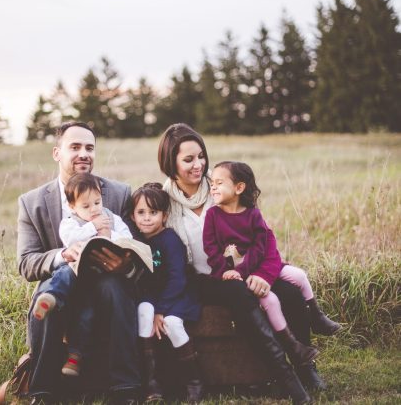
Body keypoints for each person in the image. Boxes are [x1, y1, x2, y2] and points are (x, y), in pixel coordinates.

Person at [157, 123, 314, 405]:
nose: (199, 165)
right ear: (171, 162)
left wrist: (264, 275)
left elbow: (264, 239)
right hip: (205, 279)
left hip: (247, 267)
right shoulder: (165, 201)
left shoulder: (223, 187)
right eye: (188, 159)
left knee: (289, 292)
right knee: (238, 293)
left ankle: (306, 368)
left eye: (201, 156)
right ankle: (285, 376)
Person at [17, 121, 141, 405]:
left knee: (114, 287)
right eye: (75, 147)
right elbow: (26, 262)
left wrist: (124, 263)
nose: (84, 153)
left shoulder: (119, 193)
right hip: (63, 277)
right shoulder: (32, 202)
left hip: (108, 277)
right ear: (57, 153)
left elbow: (133, 244)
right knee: (48, 293)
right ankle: (43, 391)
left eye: (89, 147)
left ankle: (126, 389)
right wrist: (63, 255)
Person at [203, 161, 341, 367]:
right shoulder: (213, 215)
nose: (212, 187)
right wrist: (226, 271)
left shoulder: (252, 214)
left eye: (219, 182)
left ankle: (317, 316)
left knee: (299, 276)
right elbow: (211, 249)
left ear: (239, 188)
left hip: (256, 268)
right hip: (233, 276)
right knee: (271, 300)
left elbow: (262, 246)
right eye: (211, 182)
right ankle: (292, 345)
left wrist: (247, 270)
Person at [31, 172, 133, 378]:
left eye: (97, 202)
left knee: (86, 314)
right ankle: (51, 297)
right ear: (72, 207)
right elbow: (70, 238)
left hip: (99, 276)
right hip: (76, 272)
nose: (95, 209)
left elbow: (127, 238)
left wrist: (109, 234)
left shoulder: (111, 218)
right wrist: (92, 227)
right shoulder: (70, 222)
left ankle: (75, 357)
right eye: (86, 206)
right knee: (64, 273)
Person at [132, 183, 203, 403]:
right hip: (152, 296)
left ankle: (194, 381)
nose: (146, 218)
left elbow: (177, 278)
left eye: (153, 213)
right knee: (143, 311)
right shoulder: (136, 241)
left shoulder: (169, 239)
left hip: (177, 294)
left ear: (164, 215)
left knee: (171, 323)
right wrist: (153, 307)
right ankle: (151, 382)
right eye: (141, 212)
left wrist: (161, 310)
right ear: (133, 216)